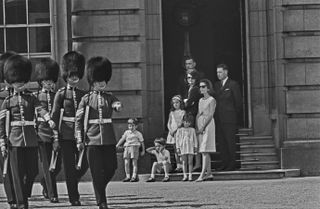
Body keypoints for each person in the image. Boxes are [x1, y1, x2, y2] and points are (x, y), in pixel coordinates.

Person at [0, 54, 56, 209]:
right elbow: (2, 123)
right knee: (16, 175)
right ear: (11, 82)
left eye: (22, 82)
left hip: (31, 138)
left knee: (32, 171)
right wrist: (3, 141)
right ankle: (21, 203)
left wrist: (48, 118)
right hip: (14, 139)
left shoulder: (31, 98)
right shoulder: (7, 101)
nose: (19, 84)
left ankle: (23, 196)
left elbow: (40, 109)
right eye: (16, 82)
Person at [75, 56, 122, 209]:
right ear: (92, 81)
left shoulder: (110, 97)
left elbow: (115, 103)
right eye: (98, 81)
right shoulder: (86, 99)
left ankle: (99, 188)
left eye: (103, 80)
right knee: (96, 172)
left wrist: (117, 106)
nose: (101, 83)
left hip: (108, 138)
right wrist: (79, 139)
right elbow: (79, 120)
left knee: (111, 168)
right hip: (91, 140)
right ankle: (101, 202)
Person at [51, 51, 88, 206]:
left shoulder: (83, 94)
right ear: (66, 75)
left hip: (81, 134)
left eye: (76, 76)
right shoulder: (60, 94)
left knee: (85, 163)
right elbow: (54, 116)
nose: (74, 78)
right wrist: (55, 137)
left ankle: (73, 180)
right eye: (71, 76)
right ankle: (74, 197)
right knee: (68, 166)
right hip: (65, 134)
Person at [34, 58, 61, 203]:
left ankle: (45, 182)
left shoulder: (57, 95)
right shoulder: (37, 96)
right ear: (41, 81)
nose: (49, 83)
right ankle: (53, 194)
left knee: (57, 165)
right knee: (47, 164)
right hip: (42, 134)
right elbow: (39, 111)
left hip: (57, 134)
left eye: (51, 80)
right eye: (46, 81)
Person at [213, 64, 242, 171]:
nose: (218, 74)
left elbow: (238, 102)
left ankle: (232, 164)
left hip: (229, 119)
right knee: (222, 143)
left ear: (226, 72)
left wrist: (233, 115)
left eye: (220, 72)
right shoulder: (216, 85)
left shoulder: (233, 84)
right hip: (219, 119)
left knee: (230, 142)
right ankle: (224, 163)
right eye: (217, 72)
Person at [0, 51, 17, 209]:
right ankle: (12, 199)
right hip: (3, 135)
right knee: (6, 168)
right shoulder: (2, 96)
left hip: (17, 135)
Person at [195, 79, 216, 182]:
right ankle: (209, 173)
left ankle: (202, 175)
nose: (201, 88)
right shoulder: (200, 100)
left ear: (208, 88)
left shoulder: (212, 100)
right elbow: (199, 113)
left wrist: (203, 127)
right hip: (200, 124)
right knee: (204, 150)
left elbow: (211, 114)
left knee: (204, 150)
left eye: (203, 86)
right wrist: (197, 126)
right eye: (200, 87)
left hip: (208, 125)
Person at [116, 118, 145, 182]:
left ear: (136, 126)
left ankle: (134, 176)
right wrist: (117, 145)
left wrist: (143, 150)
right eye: (130, 126)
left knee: (134, 163)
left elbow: (142, 142)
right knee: (126, 162)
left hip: (134, 147)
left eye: (133, 126)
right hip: (127, 147)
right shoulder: (126, 132)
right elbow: (122, 139)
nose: (131, 127)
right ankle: (127, 176)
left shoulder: (138, 133)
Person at [183, 70, 202, 171]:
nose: (190, 80)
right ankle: (196, 163)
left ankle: (197, 163)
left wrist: (186, 102)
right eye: (189, 78)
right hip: (190, 114)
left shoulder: (194, 89)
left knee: (194, 140)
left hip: (192, 115)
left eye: (192, 78)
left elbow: (188, 103)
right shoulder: (190, 88)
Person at [175, 114, 198, 181]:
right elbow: (177, 140)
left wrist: (195, 147)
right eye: (185, 122)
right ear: (183, 122)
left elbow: (195, 139)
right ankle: (185, 175)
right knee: (184, 162)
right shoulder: (180, 130)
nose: (187, 123)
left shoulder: (192, 130)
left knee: (190, 162)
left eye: (188, 122)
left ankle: (190, 175)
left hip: (190, 147)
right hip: (183, 147)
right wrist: (178, 147)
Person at [166, 95, 185, 172]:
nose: (175, 104)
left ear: (180, 103)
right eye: (174, 103)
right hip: (172, 132)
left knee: (180, 149)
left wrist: (175, 130)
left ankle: (182, 164)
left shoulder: (182, 112)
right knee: (175, 150)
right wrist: (170, 130)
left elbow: (181, 123)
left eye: (177, 103)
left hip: (179, 131)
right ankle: (178, 165)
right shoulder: (172, 112)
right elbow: (169, 122)